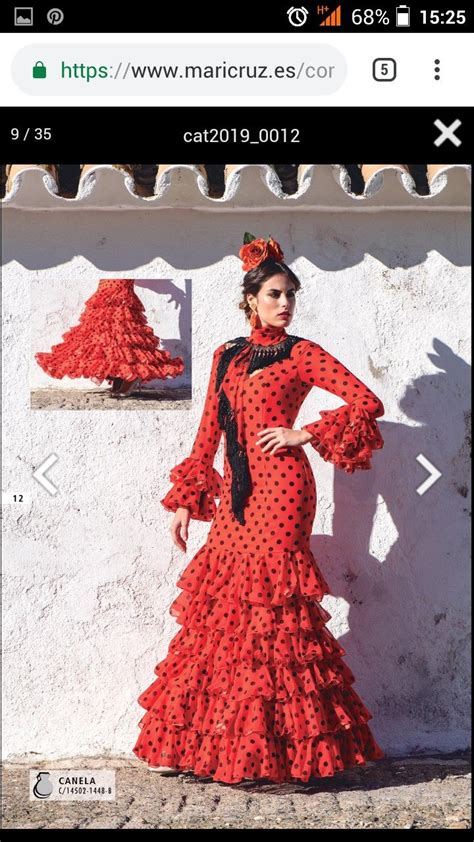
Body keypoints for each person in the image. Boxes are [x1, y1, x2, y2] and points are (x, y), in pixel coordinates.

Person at [132, 234, 385, 783]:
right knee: (224, 611)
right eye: (274, 294)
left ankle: (282, 752)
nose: (285, 304)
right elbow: (207, 434)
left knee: (274, 617)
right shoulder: (226, 354)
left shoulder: (303, 352)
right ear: (251, 299)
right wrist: (185, 502)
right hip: (234, 499)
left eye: (291, 295)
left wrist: (305, 433)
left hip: (286, 493)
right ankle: (212, 748)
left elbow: (367, 401)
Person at [35, 278, 184, 397]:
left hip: (120, 284)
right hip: (105, 285)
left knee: (121, 331)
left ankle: (130, 376)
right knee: (102, 333)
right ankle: (122, 374)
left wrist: (175, 291)